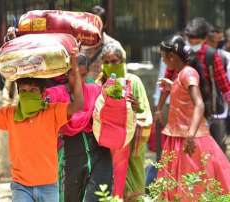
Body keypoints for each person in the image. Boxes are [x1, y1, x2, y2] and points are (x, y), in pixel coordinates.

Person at [0, 52, 84, 202]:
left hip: (48, 186)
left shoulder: (52, 111)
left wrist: (74, 68)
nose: (27, 94)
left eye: (33, 91)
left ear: (43, 93)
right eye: (23, 91)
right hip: (21, 187)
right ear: (18, 93)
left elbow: (78, 105)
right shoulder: (10, 114)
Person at [157, 35, 230, 200]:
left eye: (163, 57)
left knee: (193, 183)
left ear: (171, 57)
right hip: (178, 135)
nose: (163, 61)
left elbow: (199, 104)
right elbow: (184, 92)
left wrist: (190, 134)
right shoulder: (181, 74)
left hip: (188, 137)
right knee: (182, 183)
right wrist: (172, 85)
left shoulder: (188, 73)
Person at [44, 54, 112, 202]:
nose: (79, 81)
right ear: (66, 74)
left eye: (83, 75)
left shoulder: (95, 91)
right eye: (74, 75)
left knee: (98, 195)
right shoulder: (54, 94)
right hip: (68, 154)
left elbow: (110, 110)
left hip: (96, 152)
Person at [160, 17, 230, 152]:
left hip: (208, 109)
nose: (193, 44)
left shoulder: (211, 54)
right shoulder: (178, 54)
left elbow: (223, 84)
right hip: (183, 110)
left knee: (211, 150)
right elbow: (168, 78)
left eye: (196, 42)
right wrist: (159, 107)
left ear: (204, 39)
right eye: (190, 40)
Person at [94, 42, 152, 198]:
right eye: (106, 62)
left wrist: (135, 107)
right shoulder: (99, 84)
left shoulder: (133, 82)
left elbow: (145, 114)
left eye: (114, 61)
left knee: (132, 193)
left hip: (131, 145)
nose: (110, 65)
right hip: (105, 146)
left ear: (122, 61)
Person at [81, 5, 126, 83]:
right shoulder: (79, 46)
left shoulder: (114, 46)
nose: (93, 26)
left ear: (104, 24)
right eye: (91, 23)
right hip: (84, 92)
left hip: (107, 92)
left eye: (97, 23)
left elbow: (122, 76)